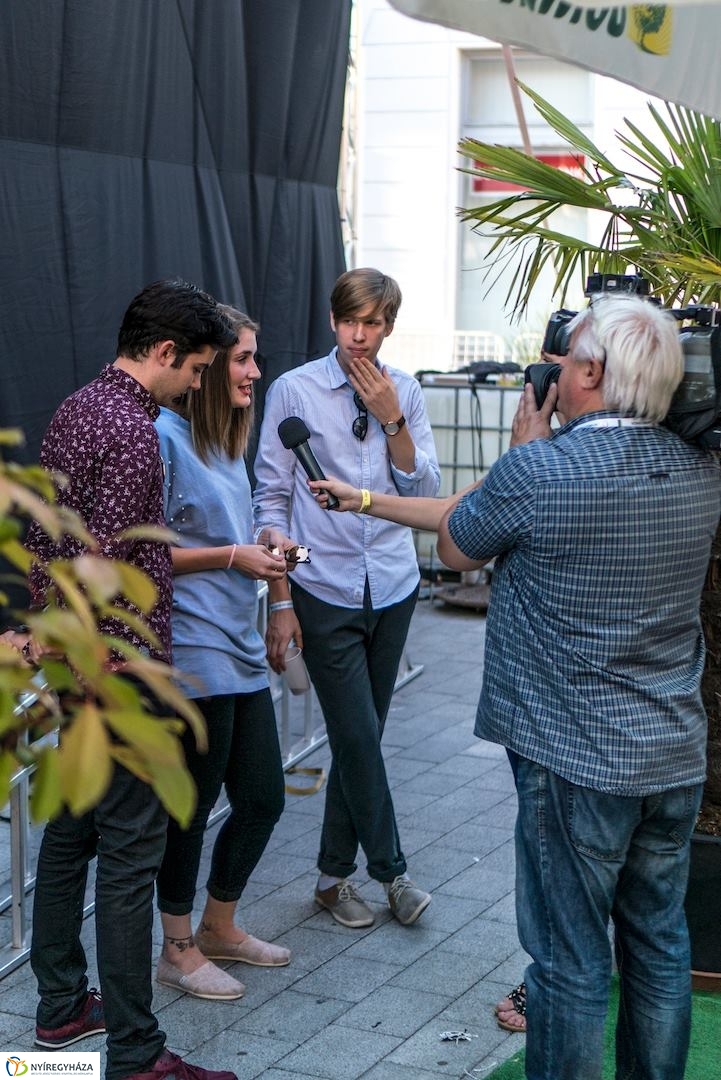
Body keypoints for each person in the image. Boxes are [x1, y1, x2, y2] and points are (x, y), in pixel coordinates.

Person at [310, 293, 721, 1079]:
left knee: (567, 960)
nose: (552, 372)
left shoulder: (540, 468)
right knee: (659, 945)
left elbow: (460, 548)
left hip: (572, 759)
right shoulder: (700, 470)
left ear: (593, 371)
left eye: (563, 362)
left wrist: (524, 447)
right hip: (670, 754)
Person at [23, 280, 240, 1080]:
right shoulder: (134, 431)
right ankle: (138, 1056)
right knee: (128, 858)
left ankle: (59, 1012)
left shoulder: (78, 407)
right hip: (116, 672)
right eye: (196, 369)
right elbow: (101, 560)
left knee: (72, 838)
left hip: (72, 661)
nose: (198, 383)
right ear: (162, 352)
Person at [253, 267, 440, 929]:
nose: (359, 335)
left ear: (388, 325)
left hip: (392, 584)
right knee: (358, 735)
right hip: (323, 587)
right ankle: (393, 874)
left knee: (361, 740)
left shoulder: (407, 393)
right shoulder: (293, 390)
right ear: (333, 321)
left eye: (373, 322)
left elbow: (423, 501)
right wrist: (278, 584)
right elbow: (269, 495)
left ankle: (331, 880)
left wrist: (393, 422)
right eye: (349, 321)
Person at [154, 307, 292, 1002]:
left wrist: (271, 564)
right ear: (204, 369)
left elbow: (238, 540)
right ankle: (175, 948)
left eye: (252, 359)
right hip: (192, 652)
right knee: (193, 803)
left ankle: (218, 926)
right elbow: (141, 556)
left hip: (239, 646)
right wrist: (232, 555)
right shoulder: (161, 438)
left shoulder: (226, 444)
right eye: (239, 360)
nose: (252, 372)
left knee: (263, 798)